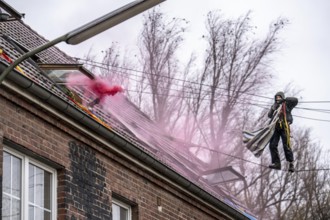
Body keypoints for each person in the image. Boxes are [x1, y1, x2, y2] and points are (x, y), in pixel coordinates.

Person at [268, 91, 298, 172]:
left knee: (286, 145)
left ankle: (291, 164)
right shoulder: (275, 106)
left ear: (282, 97)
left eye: (279, 97)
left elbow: (295, 100)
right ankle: (277, 163)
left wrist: (284, 100)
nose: (277, 99)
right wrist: (274, 107)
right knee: (272, 145)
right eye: (276, 98)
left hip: (284, 127)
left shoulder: (287, 105)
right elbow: (269, 115)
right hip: (276, 128)